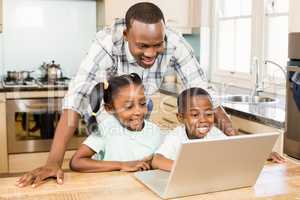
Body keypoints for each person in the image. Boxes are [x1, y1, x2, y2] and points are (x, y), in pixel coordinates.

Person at [16, 2, 236, 187]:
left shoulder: (175, 42)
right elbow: (76, 100)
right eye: (142, 46)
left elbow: (205, 93)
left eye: (157, 45)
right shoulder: (106, 44)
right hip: (112, 112)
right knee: (115, 153)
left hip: (140, 111)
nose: (151, 54)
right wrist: (53, 162)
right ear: (126, 35)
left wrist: (242, 147)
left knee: (140, 164)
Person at [151, 87, 285, 171]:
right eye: (195, 115)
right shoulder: (176, 137)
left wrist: (263, 152)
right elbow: (157, 160)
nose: (203, 120)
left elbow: (237, 148)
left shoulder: (214, 133)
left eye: (209, 114)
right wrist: (185, 169)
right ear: (181, 118)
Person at [69, 73, 161, 172]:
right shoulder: (106, 129)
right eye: (129, 106)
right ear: (110, 108)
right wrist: (121, 165)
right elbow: (76, 162)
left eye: (142, 104)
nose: (138, 112)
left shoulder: (155, 131)